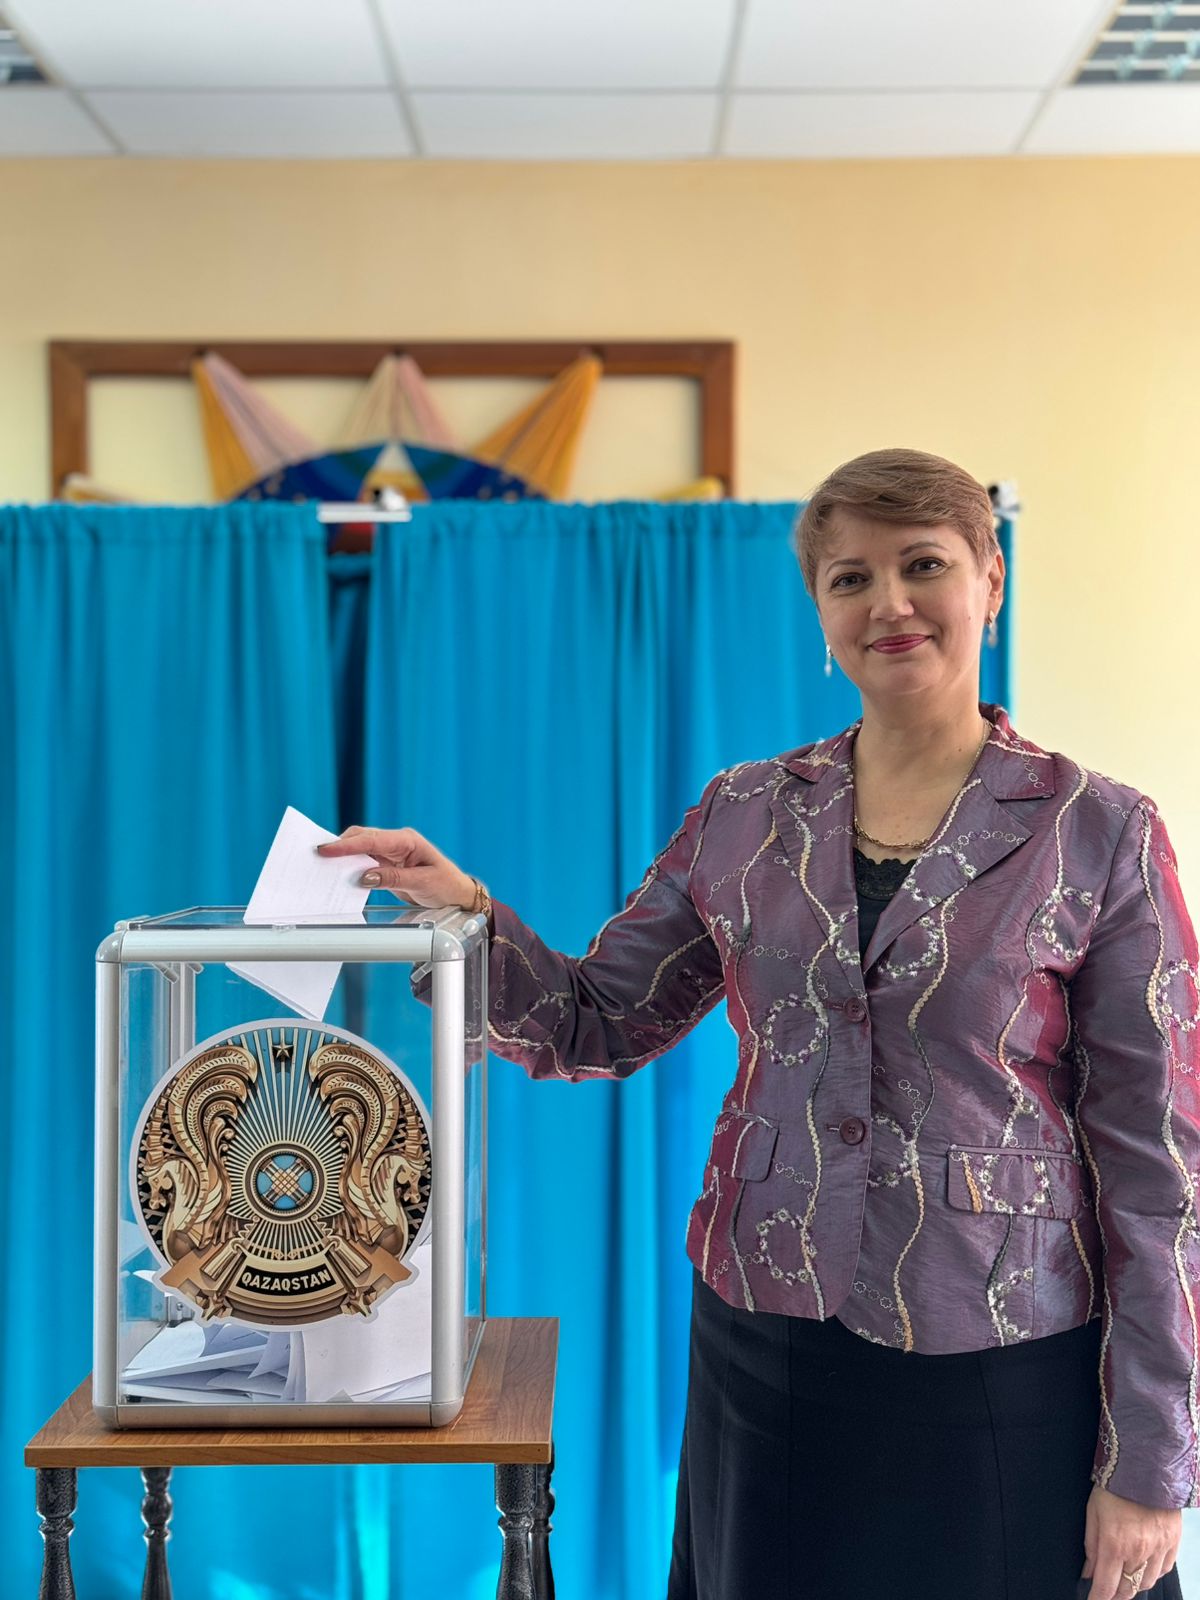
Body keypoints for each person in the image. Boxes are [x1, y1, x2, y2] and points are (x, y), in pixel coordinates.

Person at [317, 448, 1196, 1600]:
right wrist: (467, 912)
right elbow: (596, 1021)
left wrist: (1152, 1460)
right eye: (850, 577)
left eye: (923, 565)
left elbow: (1160, 1168)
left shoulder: (1103, 832)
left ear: (991, 579)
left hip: (1010, 1360)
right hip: (769, 1349)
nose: (888, 602)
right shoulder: (742, 814)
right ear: (820, 612)